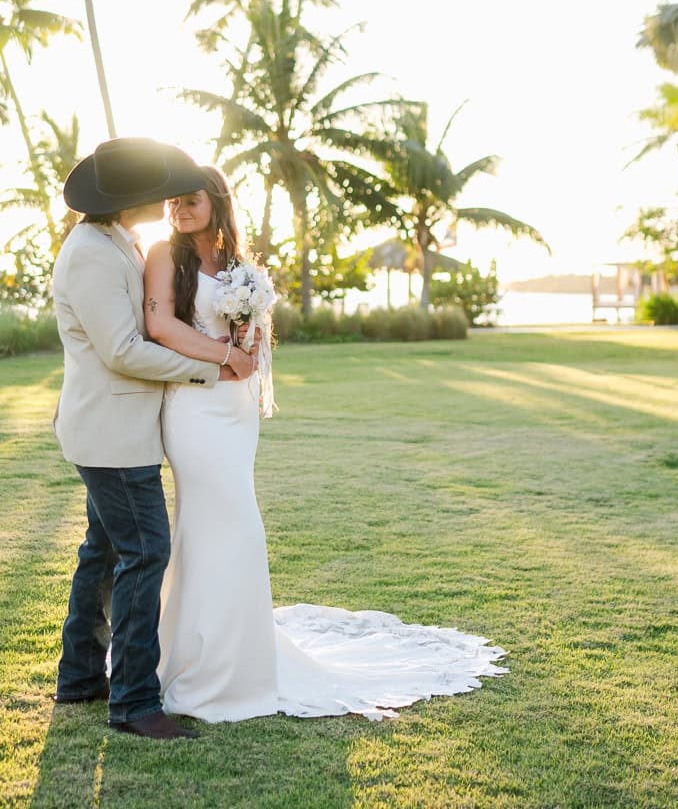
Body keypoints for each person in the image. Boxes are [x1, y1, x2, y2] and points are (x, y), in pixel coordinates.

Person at [144, 166, 507, 722]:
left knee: (227, 522)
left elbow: (257, 328)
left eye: (190, 200)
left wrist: (250, 337)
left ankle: (236, 653)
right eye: (172, 202)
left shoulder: (240, 266)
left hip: (236, 413)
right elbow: (162, 328)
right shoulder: (165, 257)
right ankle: (200, 661)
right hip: (193, 406)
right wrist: (224, 355)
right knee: (223, 521)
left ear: (216, 203)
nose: (179, 210)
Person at [51, 138, 255, 740]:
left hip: (113, 428)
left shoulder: (116, 242)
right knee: (146, 553)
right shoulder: (91, 252)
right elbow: (122, 350)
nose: (164, 199)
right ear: (129, 199)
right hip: (112, 434)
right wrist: (210, 369)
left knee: (103, 551)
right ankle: (135, 702)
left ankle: (80, 676)